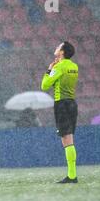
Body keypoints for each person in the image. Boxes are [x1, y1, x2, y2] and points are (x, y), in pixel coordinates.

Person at [41, 41, 79, 183]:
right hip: (72, 103)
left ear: (62, 52)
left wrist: (49, 70)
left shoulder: (59, 67)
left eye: (58, 46)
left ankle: (72, 175)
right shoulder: (74, 66)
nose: (56, 47)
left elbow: (44, 85)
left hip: (61, 104)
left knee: (66, 140)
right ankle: (72, 174)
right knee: (70, 139)